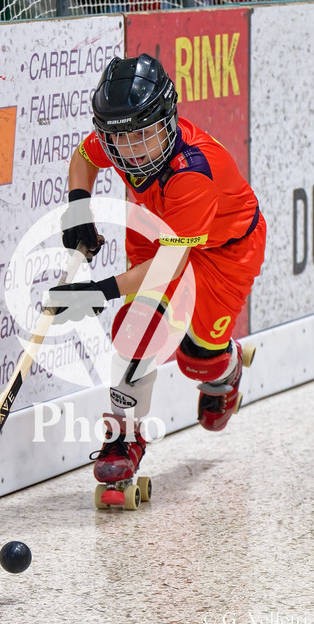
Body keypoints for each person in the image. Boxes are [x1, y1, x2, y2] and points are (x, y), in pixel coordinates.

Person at [45, 53, 266, 502]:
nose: (131, 150)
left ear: (167, 120)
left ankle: (223, 367)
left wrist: (98, 291)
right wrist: (78, 208)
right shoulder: (118, 140)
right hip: (158, 232)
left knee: (196, 359)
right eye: (120, 138)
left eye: (143, 134)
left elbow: (170, 267)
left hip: (226, 250)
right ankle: (123, 438)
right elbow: (84, 158)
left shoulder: (194, 172)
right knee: (136, 329)